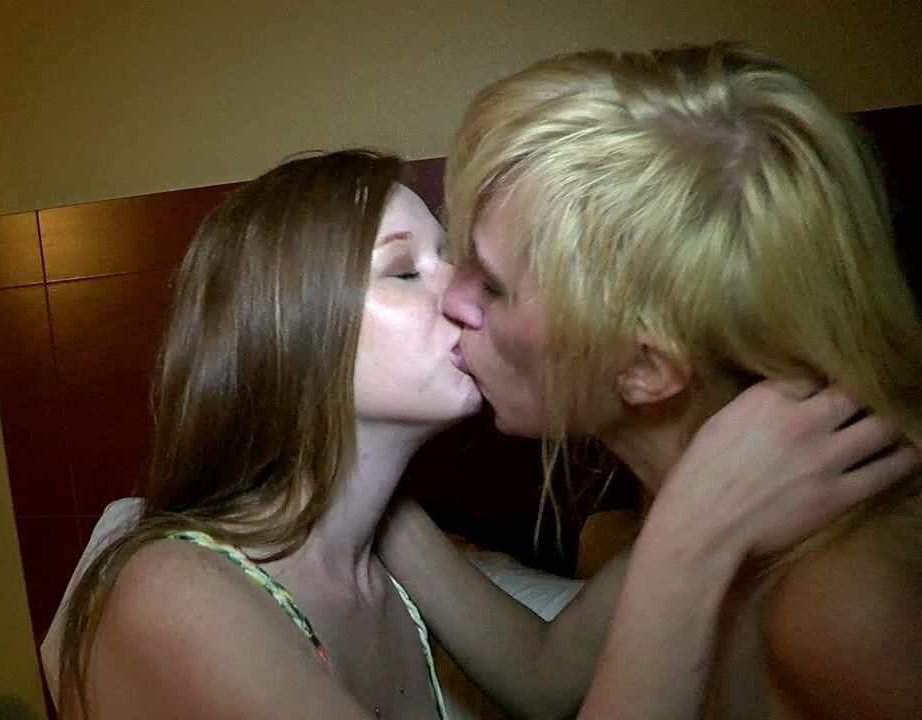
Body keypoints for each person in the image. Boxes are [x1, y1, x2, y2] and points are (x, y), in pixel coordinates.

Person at [52, 149, 907, 720]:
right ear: (287, 334)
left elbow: (544, 678)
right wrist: (694, 542)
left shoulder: (383, 547)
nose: (464, 297)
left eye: (456, 261)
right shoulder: (176, 594)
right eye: (403, 269)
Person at [382, 42, 922, 720]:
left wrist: (686, 549)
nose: (450, 300)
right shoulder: (710, 491)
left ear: (645, 368)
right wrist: (361, 490)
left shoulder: (846, 606)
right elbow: (544, 678)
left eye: (492, 286)